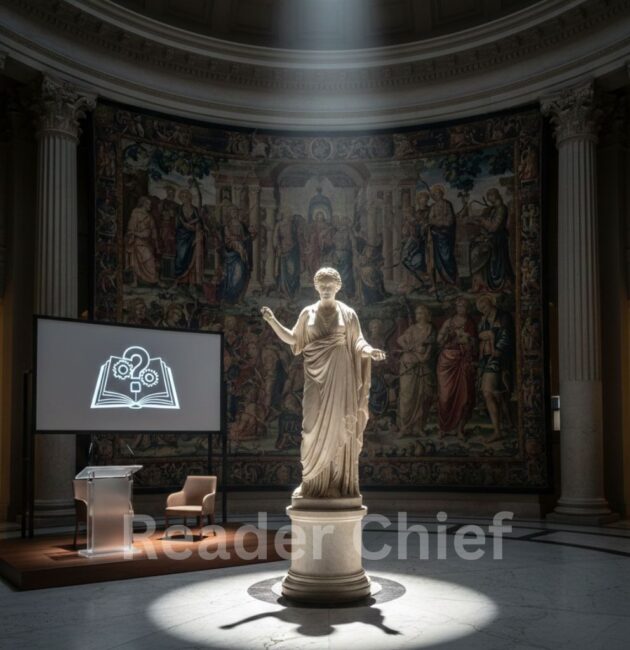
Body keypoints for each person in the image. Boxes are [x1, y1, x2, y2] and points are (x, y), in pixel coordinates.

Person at [261, 267, 386, 498]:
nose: (326, 289)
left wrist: (370, 351)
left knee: (339, 425)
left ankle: (336, 481)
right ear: (316, 287)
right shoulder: (307, 313)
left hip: (340, 376)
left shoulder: (348, 313)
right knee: (310, 428)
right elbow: (294, 339)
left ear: (338, 287)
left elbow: (357, 341)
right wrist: (272, 321)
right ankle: (311, 481)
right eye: (322, 285)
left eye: (330, 285)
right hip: (314, 376)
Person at [436, 296, 478, 439]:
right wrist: (448, 335)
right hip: (447, 361)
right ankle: (444, 428)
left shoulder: (470, 323)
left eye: (464, 306)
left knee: (464, 396)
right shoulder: (449, 322)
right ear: (456, 307)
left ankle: (460, 429)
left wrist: (467, 339)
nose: (462, 308)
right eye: (459, 306)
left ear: (468, 308)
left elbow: (474, 343)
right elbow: (439, 340)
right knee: (445, 397)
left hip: (463, 361)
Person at [477, 294, 514, 442]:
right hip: (487, 359)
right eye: (480, 308)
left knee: (489, 393)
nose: (483, 309)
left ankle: (499, 430)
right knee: (496, 393)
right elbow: (480, 334)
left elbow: (506, 336)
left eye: (484, 305)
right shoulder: (484, 320)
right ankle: (506, 425)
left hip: (499, 359)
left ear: (491, 303)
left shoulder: (503, 317)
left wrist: (497, 348)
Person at [397, 304, 436, 436]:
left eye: (421, 313)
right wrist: (410, 348)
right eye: (417, 313)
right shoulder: (412, 328)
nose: (418, 315)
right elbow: (400, 340)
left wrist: (424, 357)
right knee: (407, 396)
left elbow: (430, 347)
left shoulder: (430, 329)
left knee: (423, 396)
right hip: (409, 364)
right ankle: (405, 427)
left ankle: (419, 427)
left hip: (423, 366)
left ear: (427, 315)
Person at [469, 188, 515, 292]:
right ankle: (480, 282)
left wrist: (482, 221)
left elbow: (494, 227)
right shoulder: (494, 209)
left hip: (498, 239)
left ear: (495, 196)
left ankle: (497, 283)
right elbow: (488, 224)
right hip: (492, 238)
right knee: (474, 246)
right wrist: (477, 221)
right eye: (488, 196)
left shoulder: (501, 209)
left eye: (490, 196)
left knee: (479, 252)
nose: (488, 198)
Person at [428, 184, 458, 289]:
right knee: (438, 259)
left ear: (442, 194)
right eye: (435, 194)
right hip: (437, 236)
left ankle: (452, 281)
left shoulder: (447, 204)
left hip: (446, 235)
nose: (437, 195)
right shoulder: (433, 207)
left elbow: (450, 220)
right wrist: (439, 222)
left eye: (439, 193)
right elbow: (430, 220)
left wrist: (440, 222)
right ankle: (444, 281)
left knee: (448, 257)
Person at [125, 196, 159, 286]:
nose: (150, 206)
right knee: (138, 260)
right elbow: (131, 228)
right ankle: (135, 281)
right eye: (148, 204)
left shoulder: (150, 216)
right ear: (143, 204)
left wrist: (155, 242)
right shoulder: (136, 213)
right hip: (137, 241)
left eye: (150, 204)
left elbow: (153, 230)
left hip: (147, 242)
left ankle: (151, 279)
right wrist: (138, 234)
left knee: (150, 260)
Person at [174, 189, 205, 285]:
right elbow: (178, 224)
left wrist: (195, 227)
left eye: (186, 196)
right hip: (182, 236)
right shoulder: (179, 209)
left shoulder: (195, 209)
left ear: (189, 197)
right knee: (181, 256)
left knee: (193, 256)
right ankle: (179, 279)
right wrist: (186, 225)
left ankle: (191, 282)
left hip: (193, 236)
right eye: (182, 197)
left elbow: (200, 223)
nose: (184, 198)